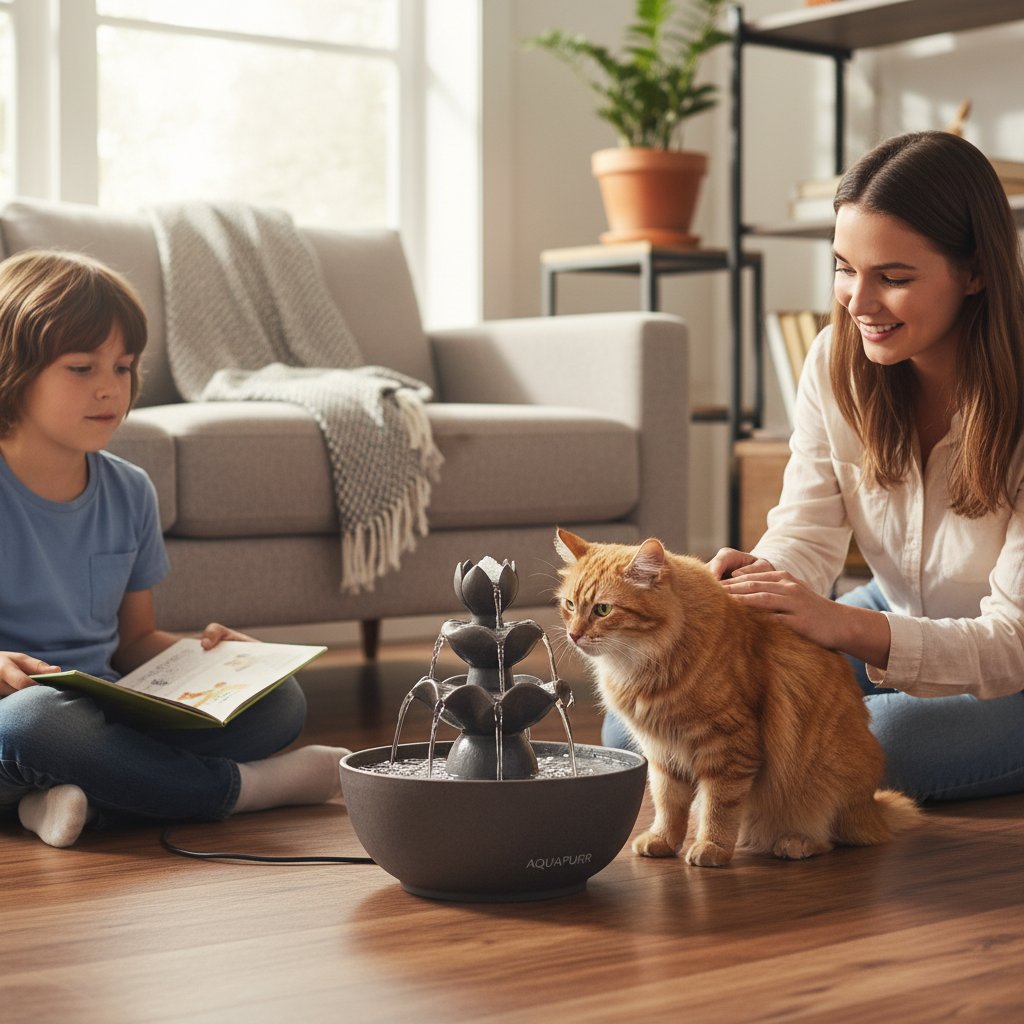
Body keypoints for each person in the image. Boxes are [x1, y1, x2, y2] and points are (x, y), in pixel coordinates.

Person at [704, 130, 1024, 802]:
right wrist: (753, 591)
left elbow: (1010, 642)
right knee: (659, 716)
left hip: (1010, 659)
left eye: (894, 277)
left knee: (889, 740)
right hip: (894, 607)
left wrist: (842, 626)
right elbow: (806, 534)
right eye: (845, 268)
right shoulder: (833, 360)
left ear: (976, 271)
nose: (858, 302)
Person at [0, 249, 348, 848]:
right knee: (34, 725)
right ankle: (246, 790)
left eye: (125, 367)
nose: (111, 389)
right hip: (22, 718)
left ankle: (62, 803)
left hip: (104, 712)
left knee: (281, 703)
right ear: (12, 368)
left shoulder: (130, 490)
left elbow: (134, 641)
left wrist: (220, 664)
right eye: (82, 368)